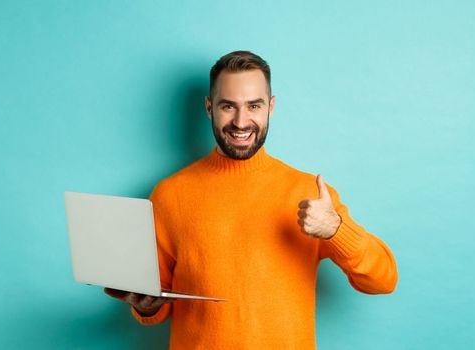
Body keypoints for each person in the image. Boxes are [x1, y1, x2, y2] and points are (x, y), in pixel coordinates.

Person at [104, 50, 398, 348]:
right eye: (228, 106)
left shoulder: (309, 193)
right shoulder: (169, 194)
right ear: (209, 108)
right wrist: (146, 305)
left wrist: (337, 230)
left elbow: (383, 280)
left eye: (253, 106)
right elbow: (158, 302)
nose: (241, 122)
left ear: (271, 107)